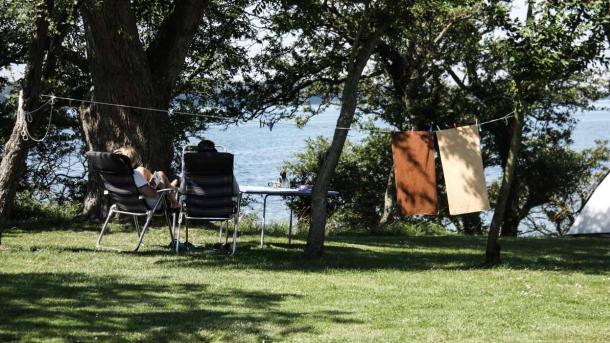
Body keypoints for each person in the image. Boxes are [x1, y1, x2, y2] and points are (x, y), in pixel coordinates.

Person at [113, 146, 179, 208]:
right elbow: (151, 194)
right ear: (133, 162)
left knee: (141, 169)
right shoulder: (135, 174)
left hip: (124, 203)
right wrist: (154, 185)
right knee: (160, 174)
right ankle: (173, 196)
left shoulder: (113, 174)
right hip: (150, 203)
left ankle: (170, 187)